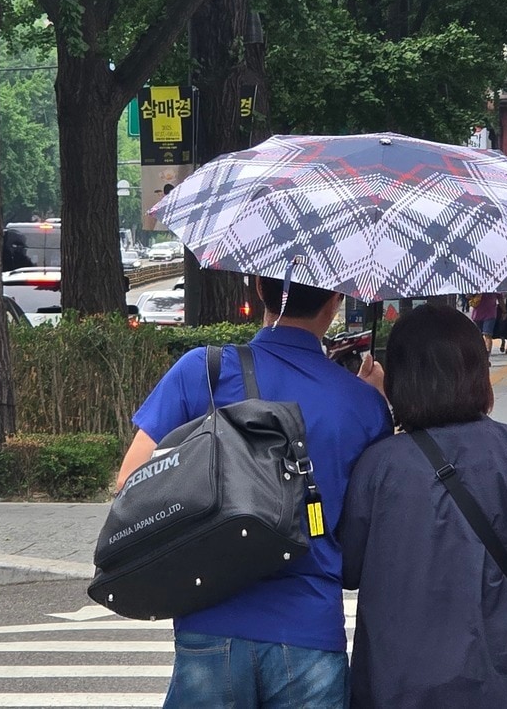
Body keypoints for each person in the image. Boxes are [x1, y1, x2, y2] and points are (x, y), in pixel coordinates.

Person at [114, 276, 393, 708]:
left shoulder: (203, 370)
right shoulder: (364, 404)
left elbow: (130, 482)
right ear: (335, 300)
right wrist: (373, 397)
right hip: (310, 629)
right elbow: (366, 528)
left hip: (209, 615)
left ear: (258, 290)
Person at [338, 304, 507, 708]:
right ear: (478, 372)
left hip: (396, 679)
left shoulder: (378, 465)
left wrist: (377, 411)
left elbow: (349, 568)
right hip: (501, 674)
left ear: (400, 379)